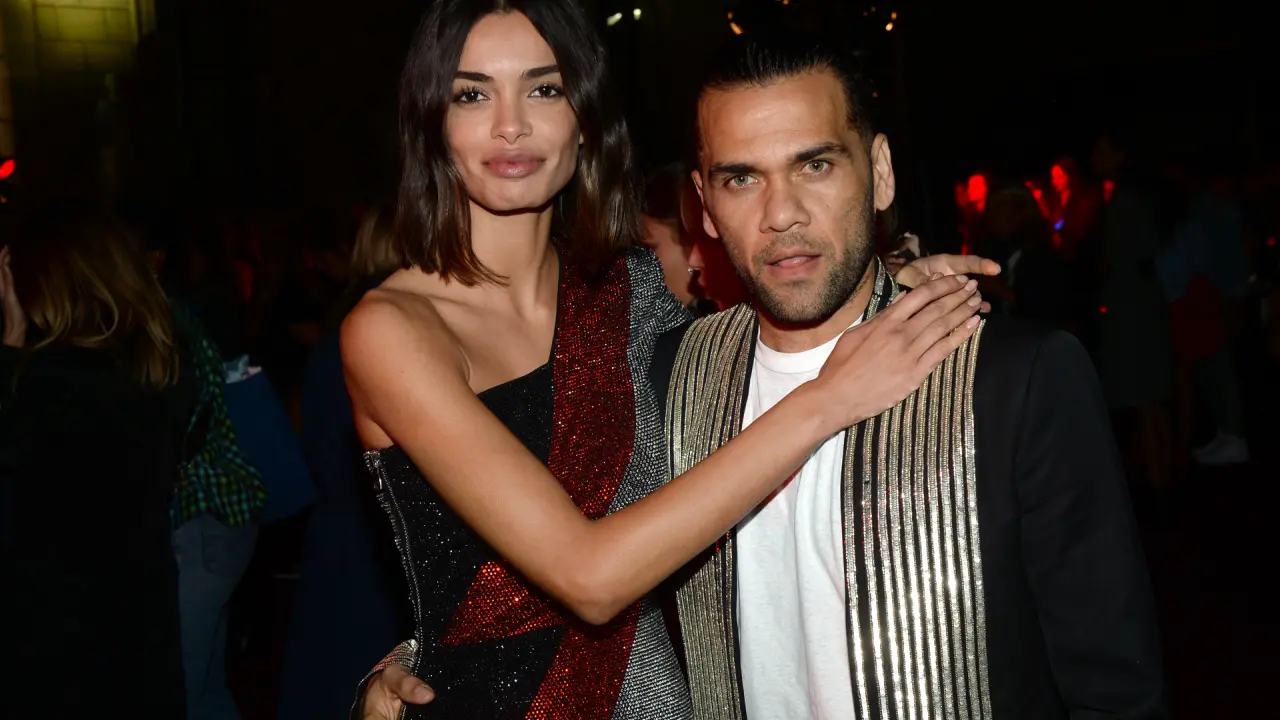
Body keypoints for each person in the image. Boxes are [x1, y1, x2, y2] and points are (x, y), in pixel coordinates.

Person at [376, 33, 1165, 719]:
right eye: (742, 178)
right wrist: (425, 658)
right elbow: (560, 543)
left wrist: (898, 279)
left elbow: (1115, 690)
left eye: (815, 165)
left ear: (880, 171)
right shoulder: (669, 378)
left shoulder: (1013, 378)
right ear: (704, 206)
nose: (781, 213)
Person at [0, 204, 194, 714]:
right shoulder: (156, 365)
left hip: (58, 636)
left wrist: (10, 340)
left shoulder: (48, 383)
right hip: (137, 620)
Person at [277, 203, 409, 720]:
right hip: (380, 541)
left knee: (334, 678)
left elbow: (312, 442)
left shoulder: (337, 334)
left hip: (338, 534)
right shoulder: (402, 336)